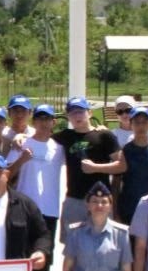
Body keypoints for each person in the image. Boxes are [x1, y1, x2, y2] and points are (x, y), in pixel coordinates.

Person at [13, 104, 64, 271]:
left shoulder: (59, 148)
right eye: (40, 118)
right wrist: (21, 158)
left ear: (54, 122)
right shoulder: (22, 144)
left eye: (48, 118)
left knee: (45, 256)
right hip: (24, 208)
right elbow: (7, 172)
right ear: (33, 122)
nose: (43, 122)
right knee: (23, 253)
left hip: (50, 209)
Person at [53, 96, 125, 241]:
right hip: (74, 198)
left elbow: (122, 165)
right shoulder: (65, 136)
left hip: (100, 199)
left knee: (103, 243)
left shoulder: (104, 135)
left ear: (89, 113)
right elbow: (39, 138)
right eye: (73, 113)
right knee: (72, 245)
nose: (77, 116)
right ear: (68, 116)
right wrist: (21, 136)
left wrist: (96, 168)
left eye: (80, 111)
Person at [114, 106, 148, 226]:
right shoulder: (125, 151)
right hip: (128, 208)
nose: (141, 126)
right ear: (131, 125)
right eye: (137, 122)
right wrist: (115, 211)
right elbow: (116, 183)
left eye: (145, 122)